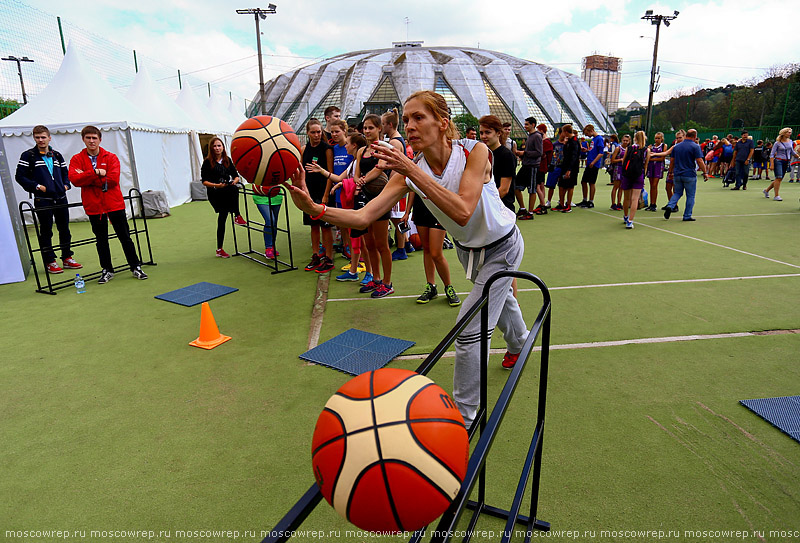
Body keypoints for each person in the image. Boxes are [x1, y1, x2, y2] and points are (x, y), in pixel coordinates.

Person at [285, 90, 528, 428]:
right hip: (470, 249)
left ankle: (466, 420)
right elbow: (363, 217)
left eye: (419, 117)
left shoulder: (475, 151)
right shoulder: (410, 171)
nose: (409, 125)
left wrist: (412, 171)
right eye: (407, 119)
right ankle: (520, 343)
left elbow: (461, 210)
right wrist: (315, 208)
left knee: (470, 329)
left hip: (503, 245)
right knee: (498, 301)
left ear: (442, 123)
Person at [69, 126, 147, 283]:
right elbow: (74, 179)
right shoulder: (76, 159)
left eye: (94, 138)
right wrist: (96, 172)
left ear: (100, 139)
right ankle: (107, 269)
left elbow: (112, 180)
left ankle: (135, 266)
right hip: (93, 206)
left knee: (125, 237)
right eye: (88, 138)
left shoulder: (110, 157)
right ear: (83, 139)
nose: (91, 141)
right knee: (101, 239)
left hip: (114, 204)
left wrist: (86, 177)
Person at [14, 125, 82, 274]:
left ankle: (67, 258)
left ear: (49, 138)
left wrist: (66, 185)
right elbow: (20, 176)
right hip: (42, 200)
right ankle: (50, 261)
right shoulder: (28, 155)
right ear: (34, 138)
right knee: (46, 231)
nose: (40, 140)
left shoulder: (57, 155)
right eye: (37, 137)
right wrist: (37, 186)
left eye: (43, 137)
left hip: (61, 198)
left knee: (64, 229)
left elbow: (66, 173)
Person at [308, 133, 369, 281]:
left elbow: (358, 181)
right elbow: (340, 178)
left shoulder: (359, 162)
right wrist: (322, 171)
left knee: (365, 242)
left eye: (348, 143)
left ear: (354, 145)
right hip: (353, 203)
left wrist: (345, 184)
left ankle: (370, 273)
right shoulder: (353, 163)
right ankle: (354, 271)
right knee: (355, 239)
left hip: (360, 204)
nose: (345, 146)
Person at [353, 114, 394, 297]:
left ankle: (387, 282)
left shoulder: (384, 148)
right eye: (365, 128)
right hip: (365, 198)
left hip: (380, 199)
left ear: (379, 129)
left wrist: (362, 181)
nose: (367, 131)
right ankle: (376, 278)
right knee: (368, 243)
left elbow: (380, 168)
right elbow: (356, 173)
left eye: (371, 128)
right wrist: (359, 181)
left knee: (381, 243)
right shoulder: (361, 151)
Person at [200, 136, 245, 259]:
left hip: (227, 189)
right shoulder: (207, 162)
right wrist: (216, 185)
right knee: (223, 215)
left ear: (223, 147)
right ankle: (237, 216)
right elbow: (204, 181)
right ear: (211, 148)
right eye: (214, 146)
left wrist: (234, 181)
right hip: (215, 193)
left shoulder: (227, 160)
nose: (217, 148)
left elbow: (236, 176)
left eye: (219, 145)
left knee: (233, 191)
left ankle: (237, 216)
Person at [301, 119, 335, 273]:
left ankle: (328, 258)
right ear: (308, 133)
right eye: (313, 132)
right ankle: (316, 255)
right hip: (309, 192)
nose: (316, 135)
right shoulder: (304, 149)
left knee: (325, 227)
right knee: (313, 226)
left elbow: (330, 173)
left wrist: (326, 194)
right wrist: (303, 192)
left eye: (319, 132)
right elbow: (302, 173)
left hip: (323, 192)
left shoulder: (326, 148)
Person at [653, 129, 708, 221]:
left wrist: (670, 172)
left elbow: (672, 161)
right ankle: (687, 215)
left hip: (677, 174)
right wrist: (705, 172)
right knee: (690, 196)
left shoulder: (676, 146)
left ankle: (670, 205)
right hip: (689, 174)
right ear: (694, 136)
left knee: (677, 193)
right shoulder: (695, 146)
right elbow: (699, 160)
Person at [381, 109, 412, 261]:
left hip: (396, 182)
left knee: (396, 218)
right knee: (396, 218)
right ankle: (405, 244)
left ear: (390, 125)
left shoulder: (393, 142)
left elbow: (392, 164)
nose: (381, 127)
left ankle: (402, 249)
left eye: (383, 124)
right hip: (398, 181)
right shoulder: (398, 139)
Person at [514, 117, 543, 219]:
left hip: (533, 167)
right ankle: (523, 209)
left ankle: (530, 213)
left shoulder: (537, 136)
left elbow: (539, 152)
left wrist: (524, 153)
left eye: (527, 124)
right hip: (526, 166)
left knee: (532, 190)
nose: (525, 126)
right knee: (516, 187)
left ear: (533, 125)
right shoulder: (530, 136)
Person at [620, 131, 650, 229]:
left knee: (626, 198)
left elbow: (623, 161)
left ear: (634, 138)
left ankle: (625, 216)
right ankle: (630, 221)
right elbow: (645, 165)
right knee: (635, 199)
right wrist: (643, 176)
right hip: (639, 175)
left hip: (627, 175)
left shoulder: (629, 148)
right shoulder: (646, 150)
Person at [764, 128, 799, 201]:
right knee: (779, 177)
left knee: (779, 179)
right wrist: (772, 164)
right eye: (788, 132)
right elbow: (772, 154)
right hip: (778, 161)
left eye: (790, 132)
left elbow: (792, 151)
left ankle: (766, 190)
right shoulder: (777, 143)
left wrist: (798, 156)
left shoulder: (790, 141)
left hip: (786, 161)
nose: (790, 134)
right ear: (784, 133)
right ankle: (776, 195)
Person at [576, 124, 605, 208]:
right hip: (589, 162)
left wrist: (593, 162)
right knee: (584, 181)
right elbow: (594, 150)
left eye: (587, 133)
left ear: (591, 131)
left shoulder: (599, 139)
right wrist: (587, 150)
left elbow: (600, 153)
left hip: (594, 164)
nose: (587, 136)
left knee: (591, 182)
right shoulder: (593, 139)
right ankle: (585, 200)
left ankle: (591, 201)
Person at [554, 124, 579, 213]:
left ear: (566, 132)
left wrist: (569, 169)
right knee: (561, 185)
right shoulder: (569, 141)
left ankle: (568, 205)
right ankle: (561, 204)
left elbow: (574, 156)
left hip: (571, 167)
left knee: (570, 186)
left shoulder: (574, 141)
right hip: (565, 166)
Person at [644, 132, 666, 211]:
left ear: (662, 139)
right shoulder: (651, 146)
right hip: (651, 167)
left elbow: (662, 158)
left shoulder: (663, 146)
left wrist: (652, 157)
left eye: (658, 138)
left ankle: (654, 204)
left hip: (658, 167)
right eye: (656, 138)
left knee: (654, 185)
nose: (657, 140)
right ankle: (651, 204)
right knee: (651, 186)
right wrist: (648, 150)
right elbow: (647, 156)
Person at [609, 134, 629, 210]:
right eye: (624, 140)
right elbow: (612, 160)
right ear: (621, 140)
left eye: (627, 141)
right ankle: (613, 203)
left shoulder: (629, 149)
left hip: (625, 169)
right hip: (618, 168)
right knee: (616, 186)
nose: (625, 142)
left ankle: (619, 203)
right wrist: (621, 160)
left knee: (622, 187)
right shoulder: (618, 148)